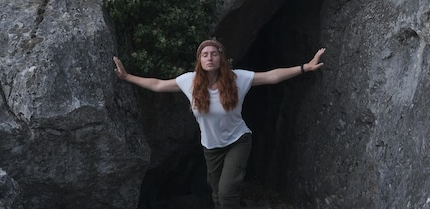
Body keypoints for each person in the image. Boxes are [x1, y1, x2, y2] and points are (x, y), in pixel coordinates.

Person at [113, 39, 325, 209]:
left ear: (221, 58)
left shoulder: (237, 78)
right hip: (211, 148)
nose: (210, 57)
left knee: (226, 193)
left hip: (237, 141)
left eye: (214, 53)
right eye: (205, 54)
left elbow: (271, 76)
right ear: (199, 60)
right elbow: (158, 85)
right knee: (217, 194)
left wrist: (304, 67)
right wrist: (128, 77)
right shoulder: (190, 81)